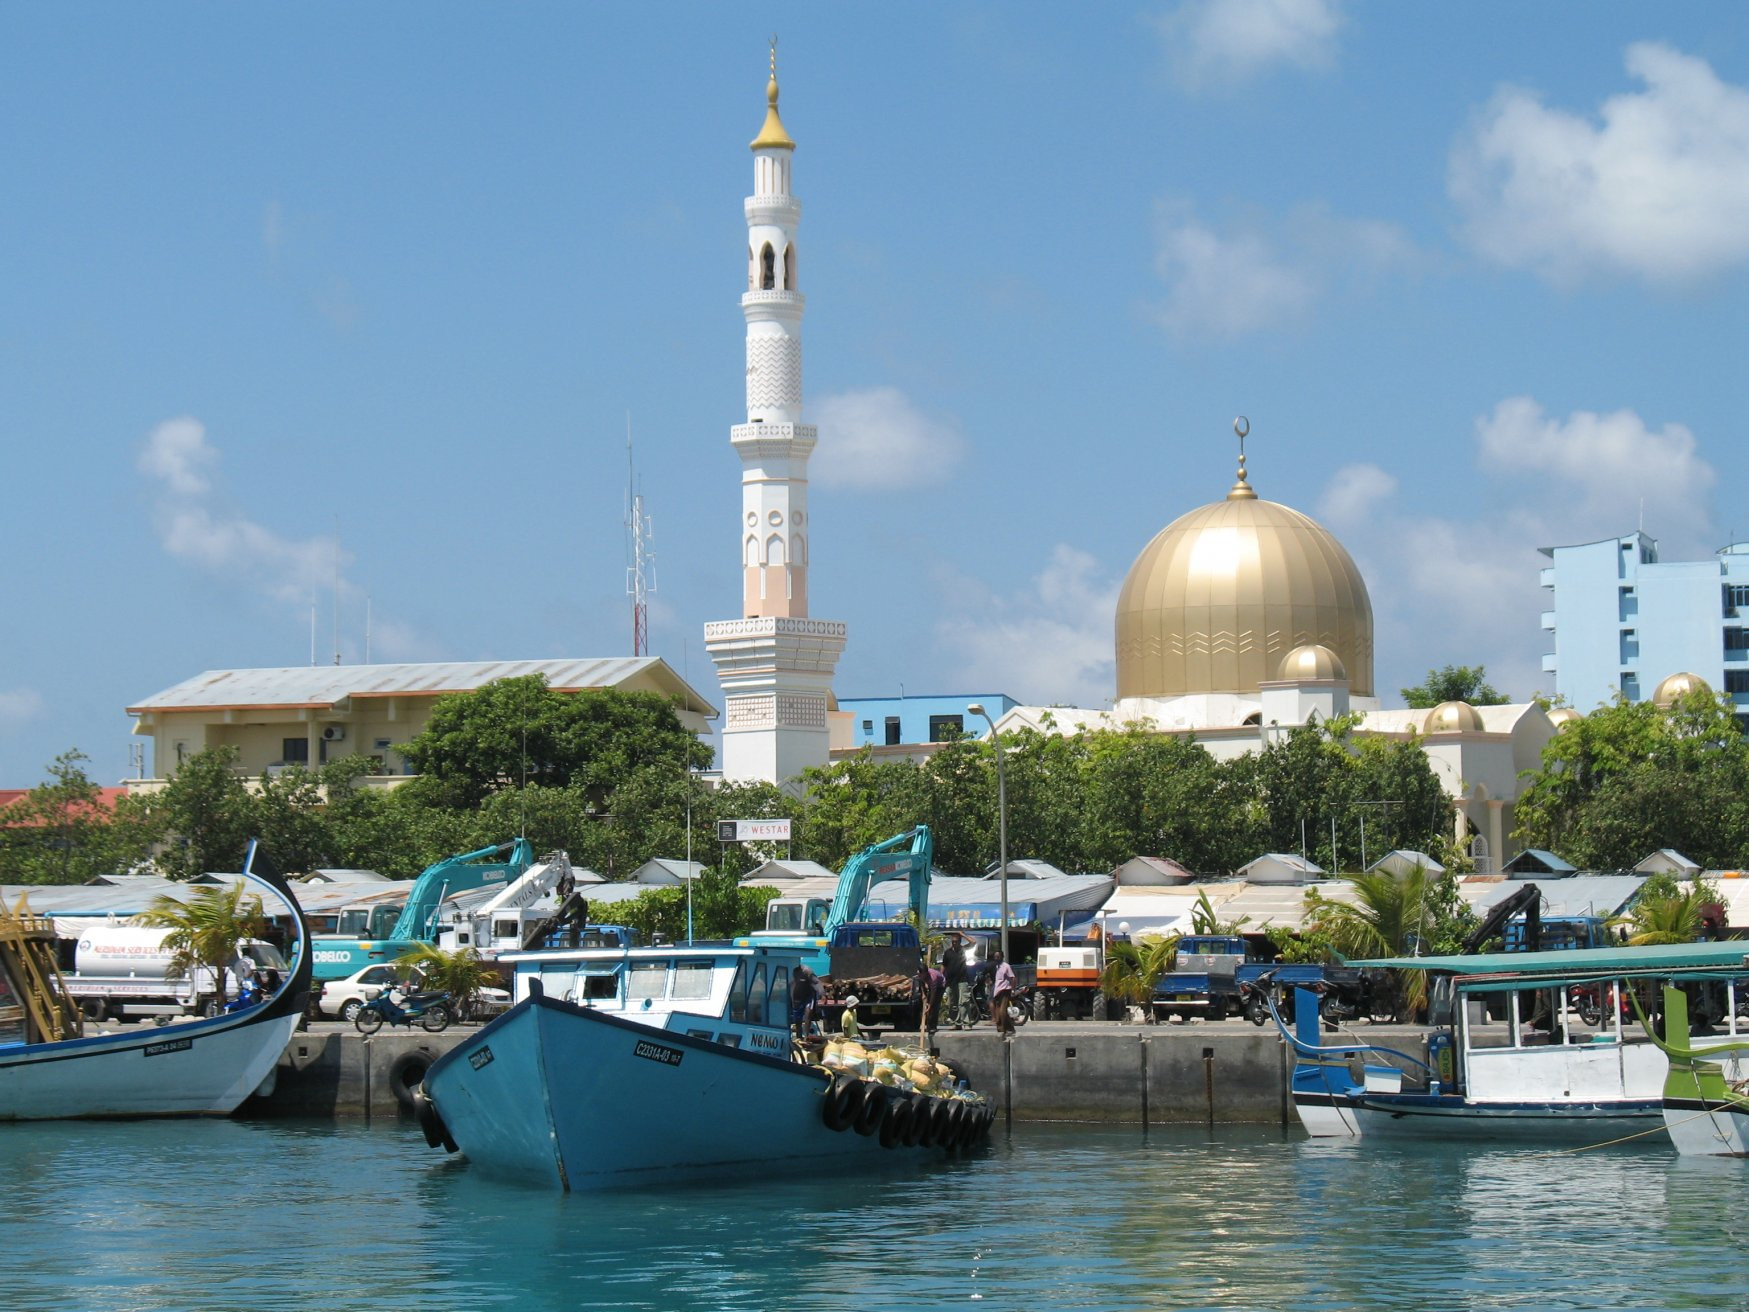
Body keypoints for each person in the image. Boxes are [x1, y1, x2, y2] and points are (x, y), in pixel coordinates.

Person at [942, 934, 970, 1029]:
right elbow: (944, 965)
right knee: (951, 1003)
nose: (954, 943)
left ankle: (966, 1023)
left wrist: (962, 934)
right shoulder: (947, 952)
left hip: (962, 979)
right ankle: (956, 1023)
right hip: (950, 980)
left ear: (959, 942)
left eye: (956, 941)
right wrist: (942, 977)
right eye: (953, 941)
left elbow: (973, 942)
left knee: (963, 1002)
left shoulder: (963, 950)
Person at [989, 949, 1017, 1037]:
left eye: (998, 957)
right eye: (995, 957)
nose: (996, 958)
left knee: (1002, 1011)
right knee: (998, 1012)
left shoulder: (1006, 966)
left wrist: (1012, 989)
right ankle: (1001, 1027)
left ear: (1002, 957)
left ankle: (1010, 1029)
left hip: (1005, 991)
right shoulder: (996, 967)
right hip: (997, 992)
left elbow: (1013, 978)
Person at [790, 964, 821, 1038]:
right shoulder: (794, 974)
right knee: (798, 1020)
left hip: (808, 997)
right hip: (797, 998)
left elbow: (817, 982)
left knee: (808, 1013)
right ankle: (799, 1036)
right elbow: (792, 986)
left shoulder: (807, 972)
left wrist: (822, 993)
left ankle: (806, 1036)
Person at [917, 960, 945, 1034]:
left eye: (925, 974)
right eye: (923, 974)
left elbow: (933, 993)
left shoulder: (933, 977)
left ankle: (933, 1027)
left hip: (940, 985)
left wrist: (930, 1005)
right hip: (929, 984)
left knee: (934, 1006)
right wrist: (923, 994)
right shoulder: (919, 973)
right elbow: (921, 983)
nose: (924, 975)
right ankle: (925, 1024)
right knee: (923, 1004)